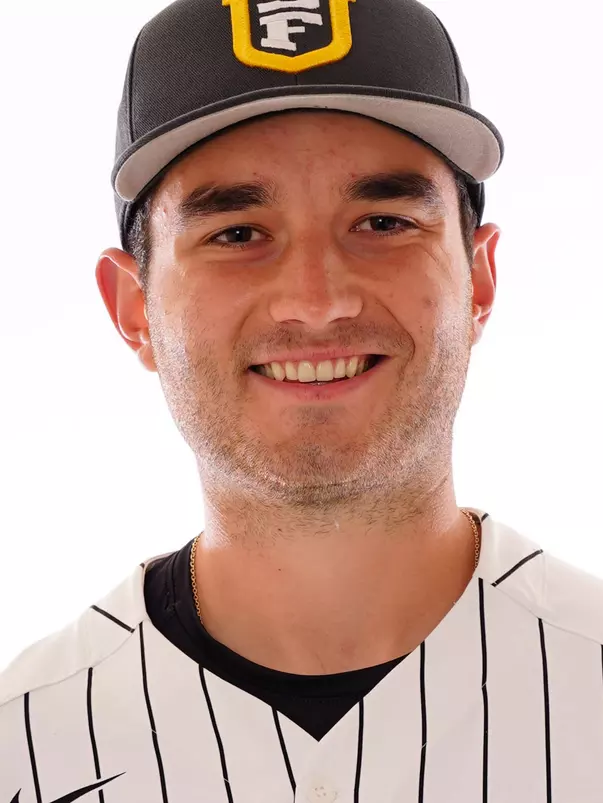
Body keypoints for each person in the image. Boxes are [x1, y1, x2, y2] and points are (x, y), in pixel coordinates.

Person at [2, 0, 602, 799]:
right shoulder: (22, 746)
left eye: (382, 220)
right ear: (133, 309)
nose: (316, 302)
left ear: (478, 280)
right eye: (238, 233)